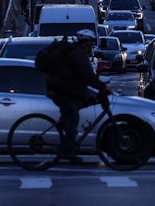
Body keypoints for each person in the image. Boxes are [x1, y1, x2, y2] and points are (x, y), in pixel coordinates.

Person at [45, 28, 111, 162]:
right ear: (84, 43)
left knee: (76, 109)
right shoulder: (78, 55)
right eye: (90, 43)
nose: (92, 47)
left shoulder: (77, 52)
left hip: (66, 89)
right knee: (73, 116)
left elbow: (83, 76)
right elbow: (87, 75)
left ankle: (66, 135)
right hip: (59, 90)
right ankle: (68, 150)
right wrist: (101, 86)